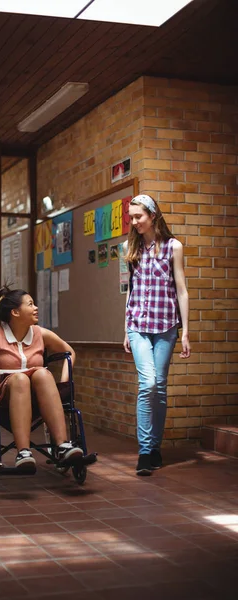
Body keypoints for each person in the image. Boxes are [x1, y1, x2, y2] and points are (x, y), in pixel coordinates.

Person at [0, 286, 83, 473]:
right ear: (15, 312)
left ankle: (62, 446)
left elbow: (69, 352)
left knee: (43, 373)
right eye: (30, 304)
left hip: (39, 391)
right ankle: (23, 452)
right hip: (7, 391)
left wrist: (64, 380)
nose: (36, 308)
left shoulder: (41, 334)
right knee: (20, 379)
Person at [123, 194, 190, 476]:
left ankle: (154, 448)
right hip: (138, 326)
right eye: (132, 217)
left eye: (139, 216)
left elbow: (181, 289)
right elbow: (129, 291)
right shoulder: (129, 247)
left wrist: (186, 330)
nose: (134, 221)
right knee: (147, 383)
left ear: (152, 215)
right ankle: (144, 451)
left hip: (165, 326)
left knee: (159, 387)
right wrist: (124, 329)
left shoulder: (173, 247)